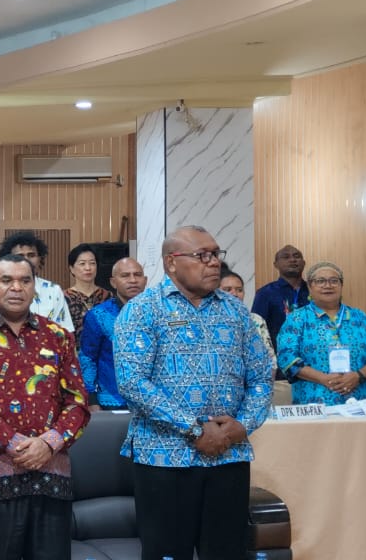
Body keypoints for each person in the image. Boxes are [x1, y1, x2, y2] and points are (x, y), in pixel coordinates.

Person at [114, 226, 273, 560]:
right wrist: (194, 429)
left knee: (227, 552)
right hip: (164, 457)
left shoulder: (236, 311)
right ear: (171, 263)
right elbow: (132, 381)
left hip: (228, 454)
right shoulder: (142, 310)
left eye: (216, 254)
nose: (213, 262)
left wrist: (243, 425)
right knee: (167, 553)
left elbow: (261, 377)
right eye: (202, 255)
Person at [0, 254, 90, 560]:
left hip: (51, 472)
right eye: (6, 280)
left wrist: (48, 444)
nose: (16, 288)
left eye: (25, 280)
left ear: (34, 286)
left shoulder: (58, 336)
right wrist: (12, 442)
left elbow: (78, 401)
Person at [277, 261, 366, 407]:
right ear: (310, 287)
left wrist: (358, 376)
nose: (328, 285)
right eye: (320, 281)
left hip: (361, 403)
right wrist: (324, 379)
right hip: (313, 403)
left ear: (341, 285)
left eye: (334, 280)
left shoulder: (360, 317)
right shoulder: (297, 319)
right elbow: (286, 357)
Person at [78, 258, 147, 411]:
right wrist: (92, 400)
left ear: (145, 280)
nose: (133, 280)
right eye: (125, 275)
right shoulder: (98, 315)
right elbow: (87, 359)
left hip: (153, 402)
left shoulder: (157, 314)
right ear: (113, 282)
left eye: (137, 275)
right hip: (111, 400)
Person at [0, 232, 74, 331]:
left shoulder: (53, 290)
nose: (26, 260)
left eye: (31, 255)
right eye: (20, 256)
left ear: (40, 258)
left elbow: (65, 332)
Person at [252, 245, 310, 348]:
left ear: (304, 263)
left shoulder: (313, 291)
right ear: (276, 264)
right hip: (278, 354)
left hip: (312, 353)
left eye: (296, 256)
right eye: (286, 257)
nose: (292, 260)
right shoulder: (265, 293)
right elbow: (257, 328)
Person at [219, 265, 275, 360]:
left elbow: (270, 357)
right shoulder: (208, 320)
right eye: (228, 290)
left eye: (239, 290)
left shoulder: (256, 319)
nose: (235, 294)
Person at [64, 244, 111, 344]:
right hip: (73, 350)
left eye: (92, 263)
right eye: (82, 264)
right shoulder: (63, 298)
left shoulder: (108, 297)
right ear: (71, 268)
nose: (88, 268)